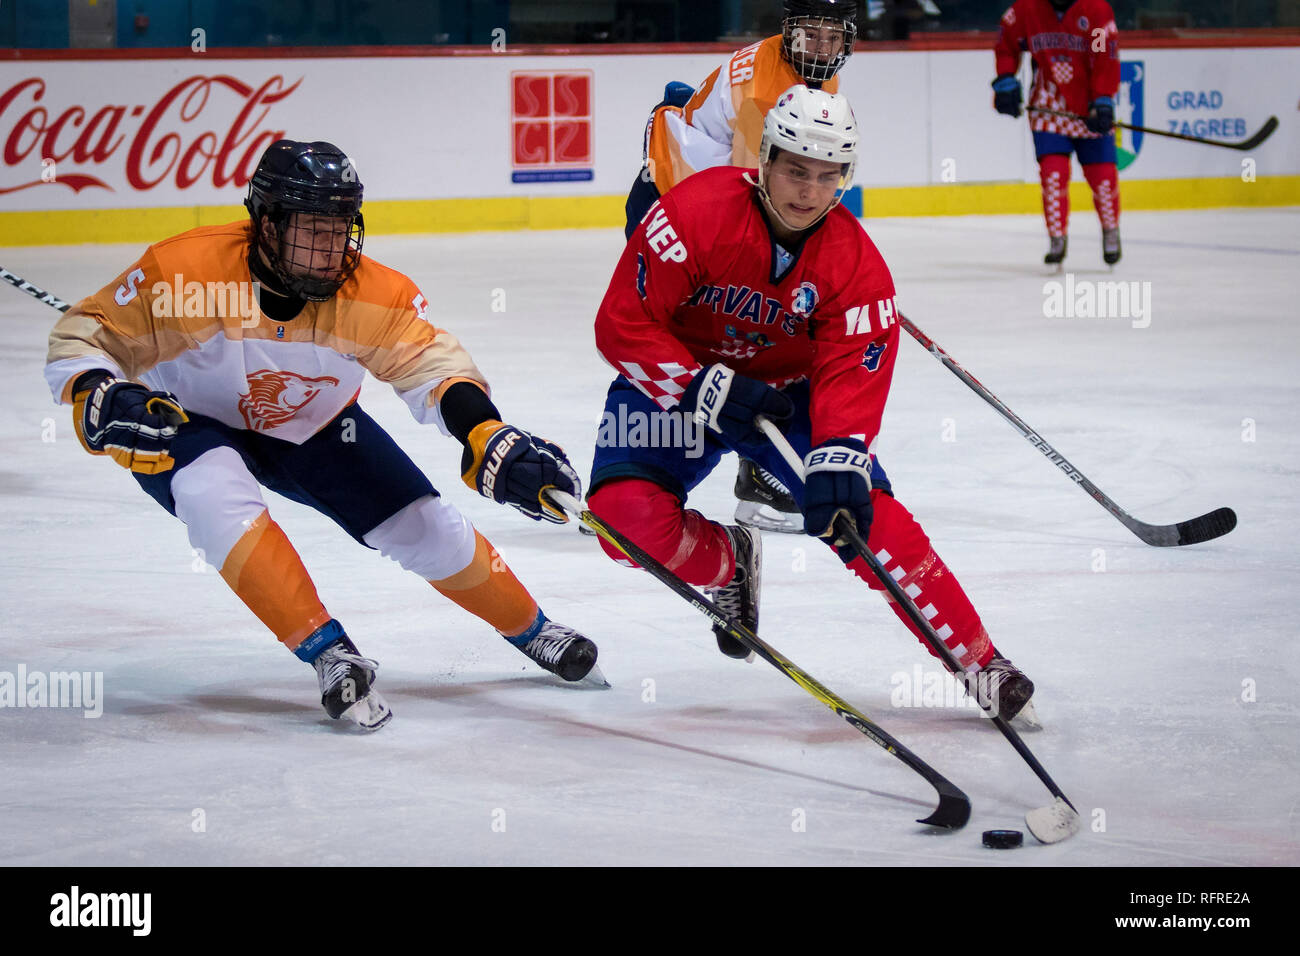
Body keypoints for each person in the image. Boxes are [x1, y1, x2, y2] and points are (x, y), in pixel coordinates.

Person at [44, 140, 602, 732]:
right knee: (215, 493)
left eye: (340, 231)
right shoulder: (184, 273)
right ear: (266, 224)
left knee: (421, 521)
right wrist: (101, 391)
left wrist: (486, 432)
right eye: (312, 230)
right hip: (185, 421)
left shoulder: (370, 294)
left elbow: (435, 371)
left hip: (313, 423)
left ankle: (533, 628)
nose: (330, 250)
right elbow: (79, 340)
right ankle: (328, 652)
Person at [588, 85, 1038, 725]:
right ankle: (728, 562)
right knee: (619, 516)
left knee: (860, 517)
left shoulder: (857, 267)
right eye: (796, 169)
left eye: (827, 178)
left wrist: (840, 453)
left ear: (844, 180)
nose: (808, 191)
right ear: (765, 159)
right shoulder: (695, 212)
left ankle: (979, 662)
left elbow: (852, 372)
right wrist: (697, 387)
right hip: (678, 382)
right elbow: (623, 325)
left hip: (785, 400)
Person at [625, 0, 859, 535]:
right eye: (810, 35)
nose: (821, 48)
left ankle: (754, 473)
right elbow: (760, 196)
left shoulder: (812, 72)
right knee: (676, 340)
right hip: (667, 203)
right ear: (788, 33)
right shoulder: (763, 92)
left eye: (832, 37)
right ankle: (634, 478)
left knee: (757, 332)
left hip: (696, 196)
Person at [992, 0, 1122, 266]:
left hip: (1089, 105)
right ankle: (1057, 237)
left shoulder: (1094, 9)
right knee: (1053, 174)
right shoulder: (1028, 8)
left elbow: (1103, 55)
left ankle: (1111, 230)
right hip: (1048, 105)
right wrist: (1006, 79)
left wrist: (1103, 97)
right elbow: (1007, 43)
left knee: (1103, 178)